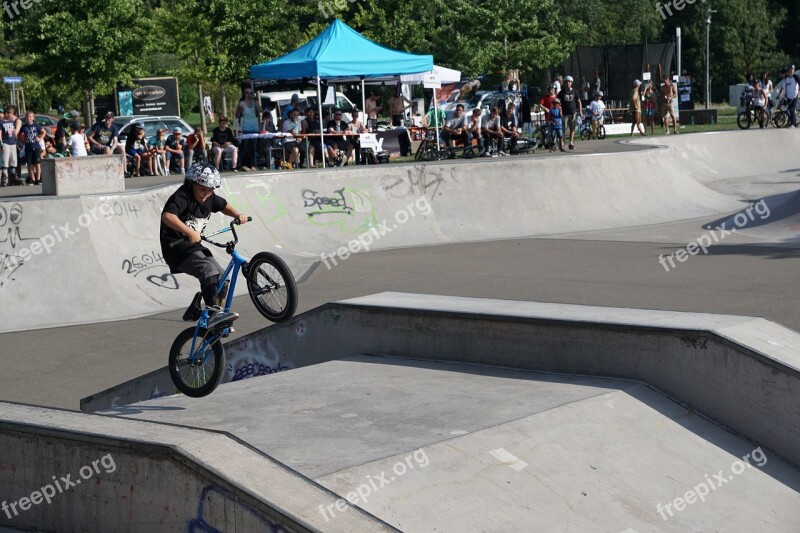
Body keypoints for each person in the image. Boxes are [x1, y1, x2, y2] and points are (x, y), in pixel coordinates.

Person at [160, 162, 248, 329]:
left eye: (210, 190)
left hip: (193, 247)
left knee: (222, 277)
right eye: (202, 190)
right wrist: (189, 232)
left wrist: (237, 214)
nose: (206, 194)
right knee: (208, 269)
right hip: (176, 247)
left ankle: (216, 317)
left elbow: (224, 206)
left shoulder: (209, 197)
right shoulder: (182, 196)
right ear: (192, 184)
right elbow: (168, 216)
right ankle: (214, 315)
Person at [235, 86, 262, 171]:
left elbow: (260, 110)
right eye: (246, 92)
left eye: (250, 93)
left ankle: (253, 165)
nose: (248, 94)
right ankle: (241, 165)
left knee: (253, 148)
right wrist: (239, 110)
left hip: (254, 128)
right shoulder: (242, 103)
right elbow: (237, 116)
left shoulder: (254, 103)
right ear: (244, 94)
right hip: (246, 128)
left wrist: (256, 100)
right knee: (244, 147)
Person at [558, 75, 581, 150]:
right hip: (564, 114)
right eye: (567, 82)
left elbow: (579, 101)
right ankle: (562, 143)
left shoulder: (575, 91)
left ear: (572, 83)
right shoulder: (561, 92)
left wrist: (580, 111)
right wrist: (559, 109)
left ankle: (571, 143)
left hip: (572, 113)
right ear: (564, 83)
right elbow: (557, 102)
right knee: (563, 129)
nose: (568, 83)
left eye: (570, 82)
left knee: (572, 129)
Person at [20, 111, 43, 185]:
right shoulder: (24, 127)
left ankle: (38, 179)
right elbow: (19, 134)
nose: (28, 118)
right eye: (27, 117)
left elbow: (44, 132)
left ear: (33, 118)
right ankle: (32, 178)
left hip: (36, 147)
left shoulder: (36, 126)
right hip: (28, 147)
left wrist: (40, 138)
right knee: (30, 164)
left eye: (30, 117)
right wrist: (22, 140)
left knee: (37, 163)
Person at [1, 105, 21, 186]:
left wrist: (16, 142)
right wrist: (1, 144)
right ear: (7, 113)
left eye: (12, 114)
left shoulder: (11, 121)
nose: (11, 115)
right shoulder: (1, 122)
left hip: (13, 143)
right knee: (5, 161)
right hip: (5, 143)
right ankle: (4, 177)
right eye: (10, 113)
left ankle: (13, 177)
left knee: (13, 161)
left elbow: (14, 133)